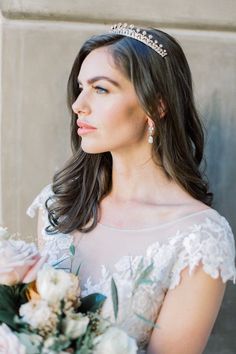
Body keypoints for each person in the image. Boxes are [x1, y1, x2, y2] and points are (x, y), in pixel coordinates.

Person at [27, 23, 236, 353]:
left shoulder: (199, 238)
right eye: (81, 88)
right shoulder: (59, 205)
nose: (78, 105)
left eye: (101, 89)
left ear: (156, 106)